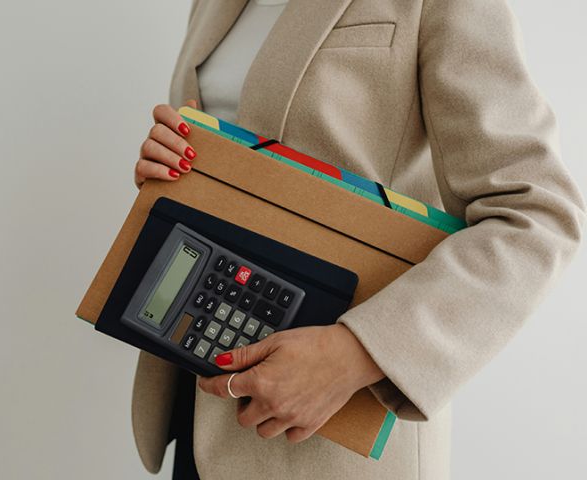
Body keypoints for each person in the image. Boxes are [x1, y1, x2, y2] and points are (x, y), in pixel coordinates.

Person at [131, 1, 586, 479]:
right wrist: (173, 166)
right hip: (199, 391)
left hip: (331, 438)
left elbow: (537, 212)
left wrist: (356, 353)